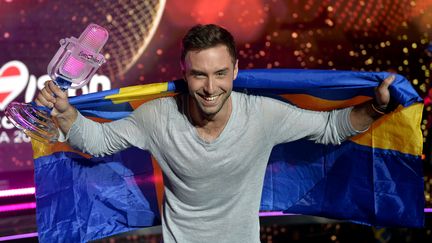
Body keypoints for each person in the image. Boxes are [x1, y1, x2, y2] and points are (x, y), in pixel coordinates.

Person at [35, 24, 394, 243]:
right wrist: (67, 113)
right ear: (183, 71)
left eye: (220, 73)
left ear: (236, 70)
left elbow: (331, 128)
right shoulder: (158, 116)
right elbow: (96, 144)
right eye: (199, 75)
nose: (210, 87)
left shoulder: (262, 114)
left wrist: (376, 107)